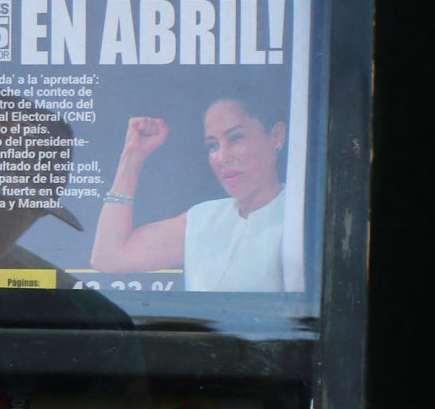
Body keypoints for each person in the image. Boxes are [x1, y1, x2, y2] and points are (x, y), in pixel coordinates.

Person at [89, 93, 291, 291]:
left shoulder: (300, 216)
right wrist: (132, 157)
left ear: (276, 136)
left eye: (237, 138)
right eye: (213, 146)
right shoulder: (205, 218)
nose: (222, 157)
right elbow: (109, 258)